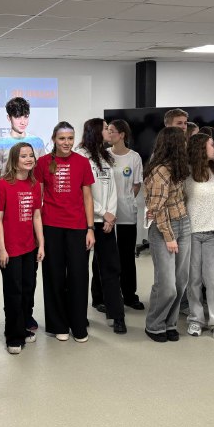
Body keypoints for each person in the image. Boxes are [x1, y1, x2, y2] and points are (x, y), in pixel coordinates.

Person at [35, 121, 95, 343]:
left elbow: (87, 197)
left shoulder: (82, 162)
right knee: (54, 276)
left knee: (79, 276)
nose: (66, 142)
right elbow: (38, 198)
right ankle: (58, 325)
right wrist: (38, 233)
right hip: (51, 227)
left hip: (78, 227)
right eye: (62, 138)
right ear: (54, 139)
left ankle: (78, 325)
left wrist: (90, 228)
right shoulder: (42, 163)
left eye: (70, 138)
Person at [0, 143, 45, 353]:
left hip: (29, 246)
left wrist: (41, 243)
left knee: (28, 289)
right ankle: (13, 335)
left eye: (31, 155)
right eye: (24, 156)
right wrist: (2, 249)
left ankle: (22, 327)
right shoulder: (2, 185)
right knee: (14, 291)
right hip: (10, 248)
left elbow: (36, 216)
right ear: (14, 160)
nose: (29, 159)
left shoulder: (35, 184)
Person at [77, 118, 126, 334]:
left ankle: (117, 315)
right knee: (80, 271)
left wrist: (110, 215)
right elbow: (81, 192)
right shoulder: (79, 155)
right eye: (106, 128)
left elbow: (112, 189)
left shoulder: (105, 155)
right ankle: (79, 317)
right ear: (96, 131)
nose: (109, 131)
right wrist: (101, 212)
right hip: (85, 222)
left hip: (106, 222)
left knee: (111, 269)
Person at [142, 126, 191, 342]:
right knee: (167, 285)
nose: (186, 144)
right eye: (183, 141)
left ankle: (169, 323)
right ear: (175, 144)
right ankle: (154, 325)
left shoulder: (178, 167)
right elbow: (157, 209)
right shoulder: (160, 170)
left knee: (180, 283)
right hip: (164, 229)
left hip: (183, 224)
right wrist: (169, 237)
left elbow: (180, 198)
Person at [184, 133, 214, 339]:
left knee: (213, 280)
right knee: (193, 280)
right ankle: (195, 319)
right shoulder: (186, 172)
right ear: (200, 147)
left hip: (213, 232)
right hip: (191, 232)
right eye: (211, 145)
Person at [103, 119, 144, 310]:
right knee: (108, 257)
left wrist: (125, 200)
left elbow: (136, 185)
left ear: (122, 135)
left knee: (127, 256)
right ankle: (106, 296)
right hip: (106, 214)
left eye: (112, 131)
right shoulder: (104, 155)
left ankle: (129, 295)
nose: (108, 134)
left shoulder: (134, 157)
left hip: (127, 213)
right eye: (108, 130)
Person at [0, 96, 46, 184]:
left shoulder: (37, 142)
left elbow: (41, 174)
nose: (23, 122)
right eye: (18, 117)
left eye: (25, 117)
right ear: (9, 118)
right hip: (8, 190)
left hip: (32, 190)